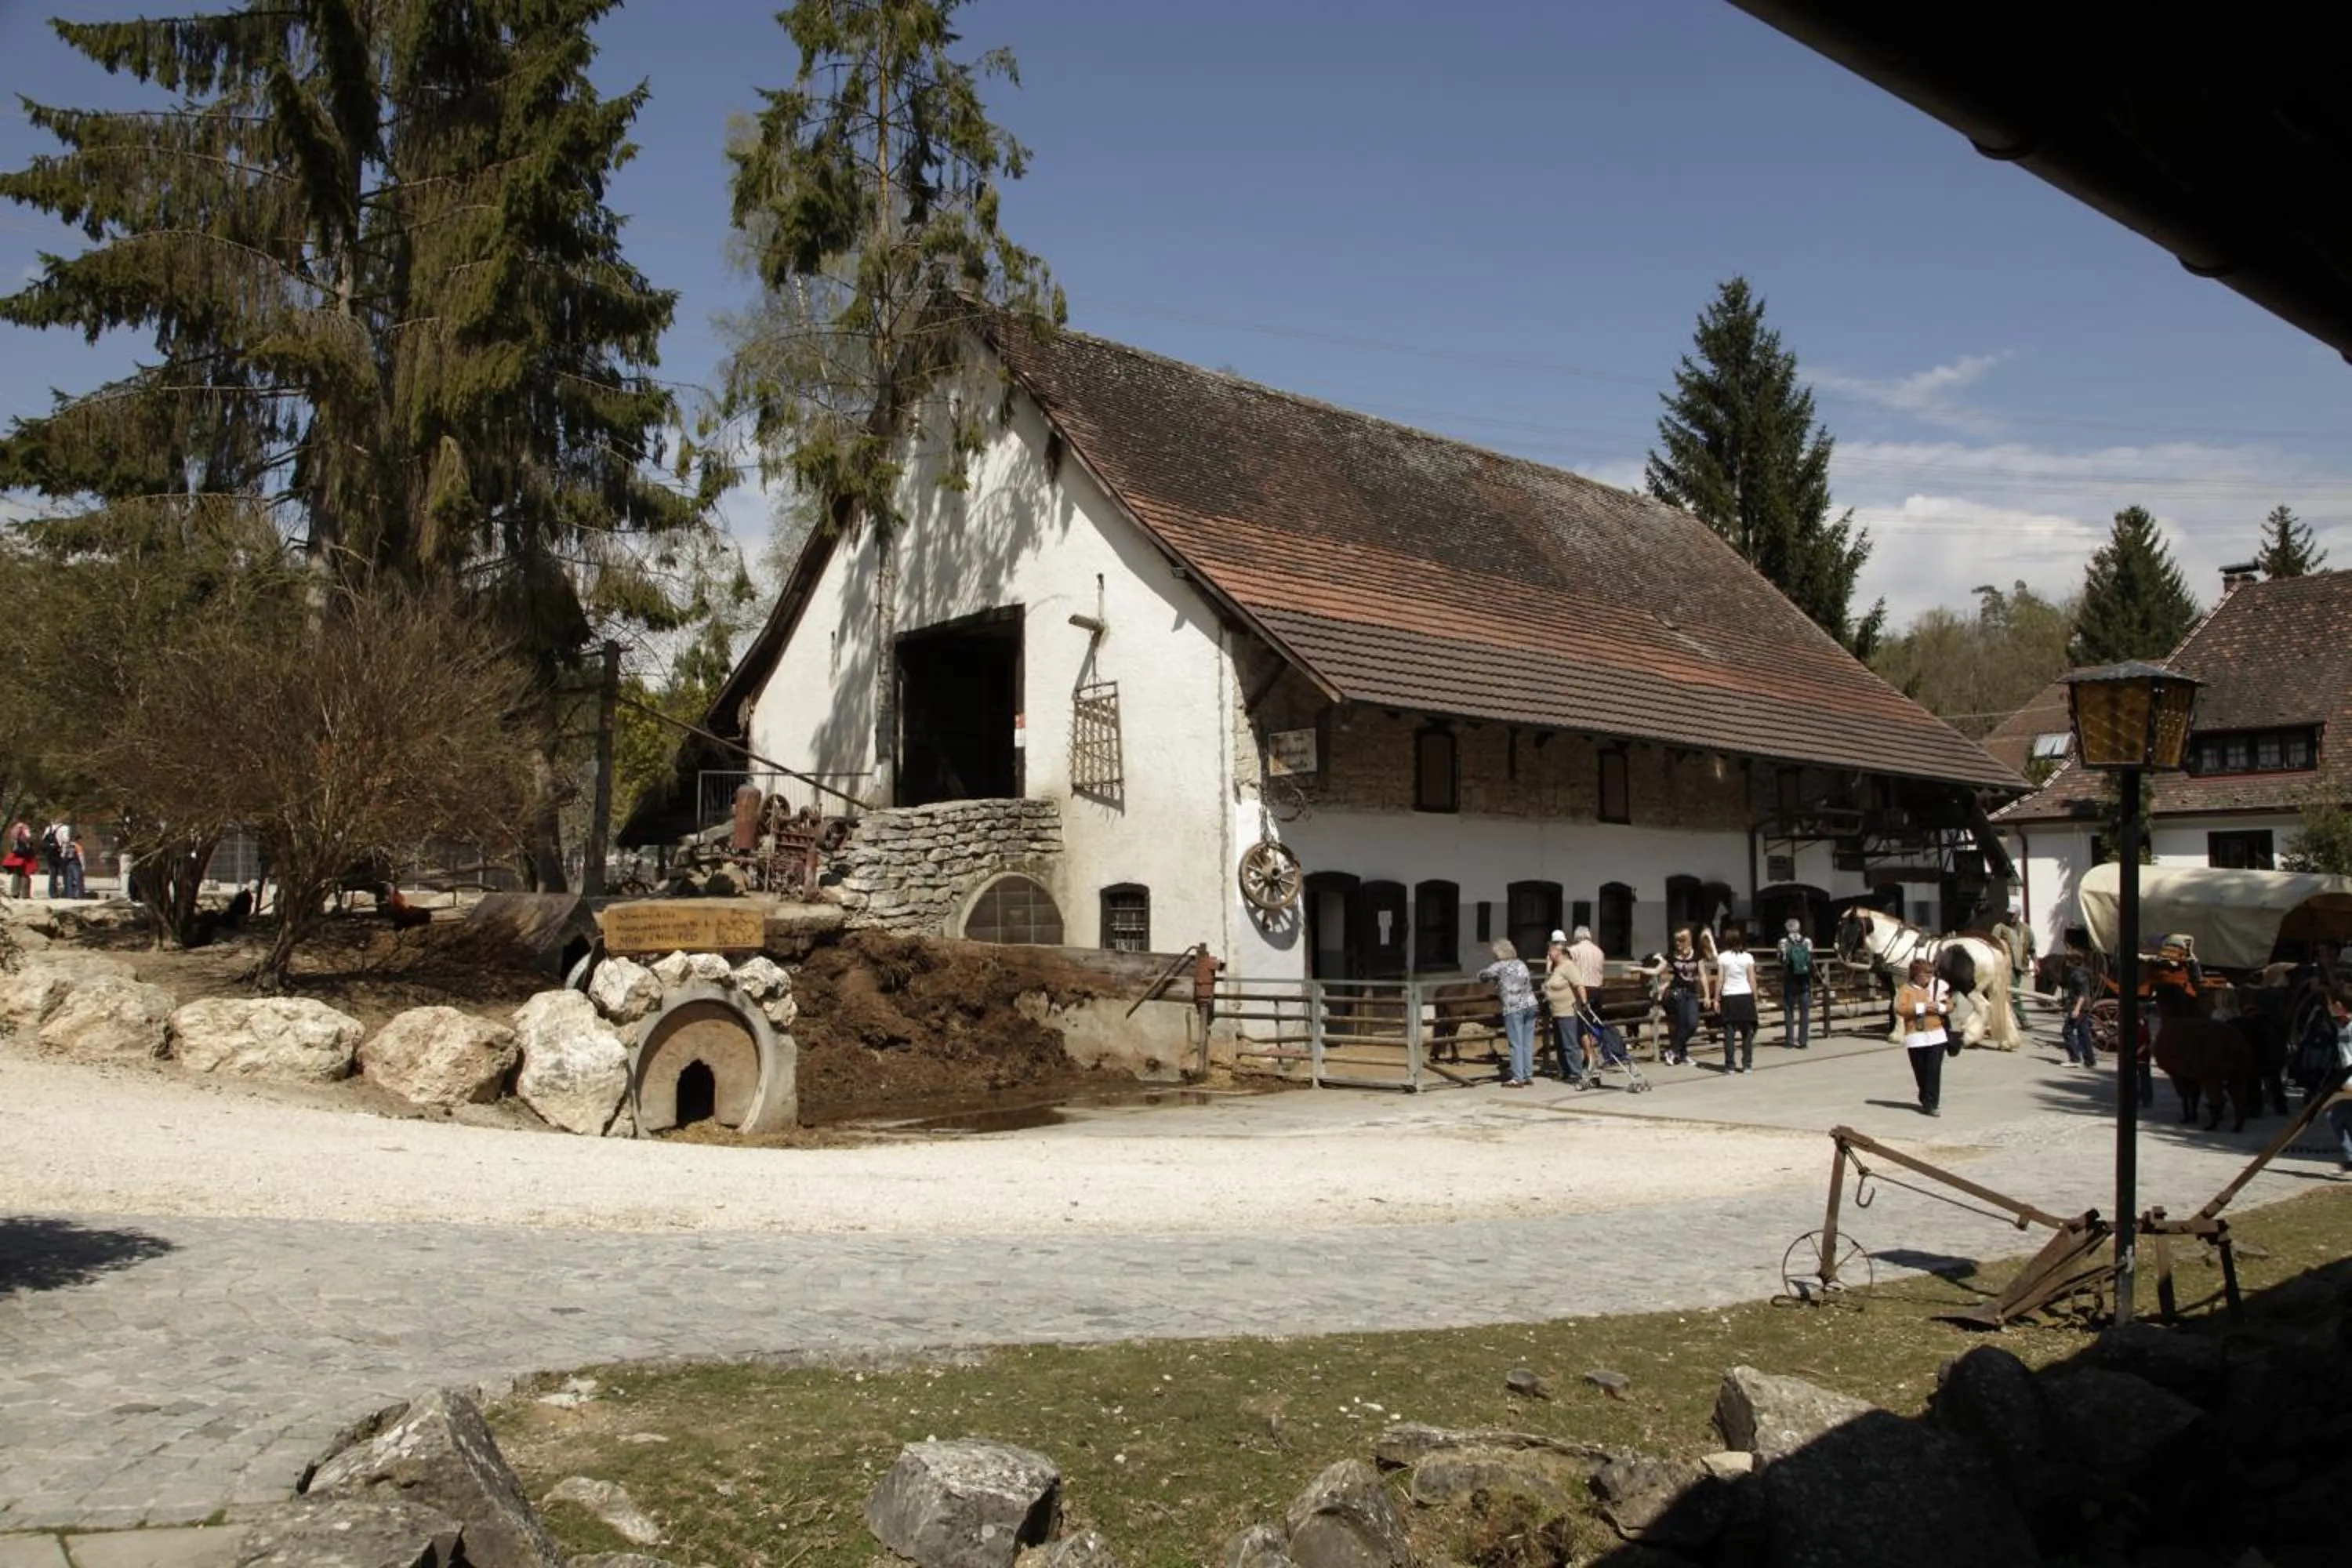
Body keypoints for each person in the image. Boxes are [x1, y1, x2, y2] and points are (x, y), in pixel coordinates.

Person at [1896, 956, 1954, 1116]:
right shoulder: (1905, 989)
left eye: (1930, 974)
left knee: (1934, 1070)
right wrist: (1922, 1007)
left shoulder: (1937, 986)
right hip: (1916, 1037)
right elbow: (1901, 1009)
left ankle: (1932, 1103)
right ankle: (1925, 1097)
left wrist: (1940, 1008)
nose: (1928, 978)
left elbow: (1950, 1005)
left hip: (1937, 1035)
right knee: (1921, 1071)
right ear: (1915, 975)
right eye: (1924, 975)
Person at [1478, 938, 1541, 1088]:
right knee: (1527, 1041)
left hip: (1513, 1008)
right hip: (1531, 1004)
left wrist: (1484, 976)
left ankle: (1517, 1077)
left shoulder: (1499, 966)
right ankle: (1527, 1074)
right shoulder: (1521, 964)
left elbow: (1483, 975)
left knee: (1515, 1043)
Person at [1541, 932, 1589, 1088]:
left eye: (1550, 951)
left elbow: (1579, 985)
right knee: (1560, 1043)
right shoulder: (1557, 968)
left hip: (1567, 1010)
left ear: (1558, 952)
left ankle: (1575, 1072)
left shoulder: (1568, 966)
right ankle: (1565, 1071)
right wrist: (1549, 967)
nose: (1548, 954)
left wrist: (1584, 1003)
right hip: (1556, 1011)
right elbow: (1548, 982)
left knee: (1569, 1043)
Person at [1713, 927, 1762, 1074]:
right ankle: (1747, 1064)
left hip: (1729, 996)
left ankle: (1730, 1065)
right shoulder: (1748, 957)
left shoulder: (1722, 957)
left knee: (1729, 1032)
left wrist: (1716, 997)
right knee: (1747, 1032)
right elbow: (1751, 978)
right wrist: (1755, 996)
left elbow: (1720, 979)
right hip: (1745, 995)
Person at [1661, 927, 1704, 1066]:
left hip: (1691, 993)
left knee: (1692, 1024)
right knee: (1682, 1024)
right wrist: (1642, 970)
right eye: (1676, 941)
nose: (1678, 943)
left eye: (1681, 940)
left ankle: (1673, 1050)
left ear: (1688, 941)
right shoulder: (1671, 956)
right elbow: (1659, 970)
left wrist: (1708, 995)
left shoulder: (1697, 955)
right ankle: (1683, 1054)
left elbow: (1703, 975)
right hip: (1677, 992)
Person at [1991, 903, 2035, 1030]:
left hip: (2019, 967)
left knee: (2009, 994)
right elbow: (1993, 945)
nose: (2010, 917)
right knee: (2014, 993)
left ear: (2018, 915)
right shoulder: (2000, 928)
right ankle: (2023, 1021)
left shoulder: (2026, 929)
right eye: (2008, 914)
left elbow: (2032, 949)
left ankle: (2000, 1021)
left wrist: (2036, 964)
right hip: (2005, 966)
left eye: (2012, 915)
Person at [1776, 918, 1814, 1050]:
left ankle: (1790, 1040)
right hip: (1804, 982)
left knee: (1789, 1011)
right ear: (1799, 927)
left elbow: (1780, 960)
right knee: (1804, 1012)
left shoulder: (1783, 942)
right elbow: (1810, 961)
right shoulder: (1807, 942)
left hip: (1790, 981)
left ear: (1787, 928)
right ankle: (1803, 1041)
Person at [2060, 949, 2100, 1069]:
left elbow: (2083, 993)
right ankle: (2090, 1060)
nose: (2065, 961)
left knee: (2067, 1031)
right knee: (2084, 1033)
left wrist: (2076, 1009)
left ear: (2072, 960)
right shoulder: (2083, 971)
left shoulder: (2078, 974)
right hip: (2085, 1006)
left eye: (2067, 959)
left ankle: (2075, 1058)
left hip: (2080, 1007)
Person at [2, 822, 34, 900]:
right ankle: (25, 894)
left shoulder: (13, 831)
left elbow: (10, 844)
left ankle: (15, 893)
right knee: (25, 874)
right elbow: (29, 837)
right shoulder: (24, 829)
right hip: (24, 856)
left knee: (16, 874)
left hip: (15, 856)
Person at [63, 836, 86, 900]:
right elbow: (81, 857)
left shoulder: (67, 846)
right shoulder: (78, 846)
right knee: (78, 879)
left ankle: (69, 895)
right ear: (78, 840)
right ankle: (80, 895)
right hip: (76, 864)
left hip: (68, 865)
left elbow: (63, 855)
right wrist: (83, 866)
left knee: (69, 880)